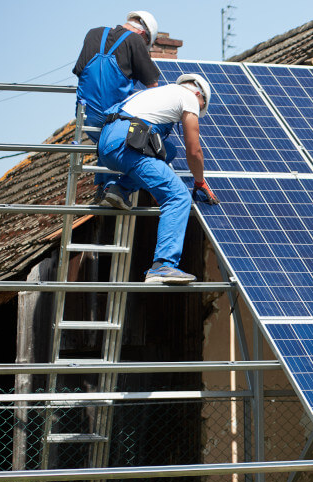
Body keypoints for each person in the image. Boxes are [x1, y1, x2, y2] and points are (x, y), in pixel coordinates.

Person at [96, 74, 218, 284]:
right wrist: (199, 181)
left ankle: (118, 190)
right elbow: (194, 149)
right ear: (198, 94)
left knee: (168, 151)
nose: (198, 110)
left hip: (110, 142)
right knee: (178, 197)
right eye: (201, 106)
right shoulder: (188, 97)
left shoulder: (156, 94)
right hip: (128, 144)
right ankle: (163, 266)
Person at [72, 11, 160, 194]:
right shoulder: (135, 41)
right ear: (143, 34)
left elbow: (80, 71)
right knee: (133, 141)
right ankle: (113, 187)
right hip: (112, 117)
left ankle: (102, 188)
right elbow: (153, 85)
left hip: (85, 115)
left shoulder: (93, 33)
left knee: (108, 137)